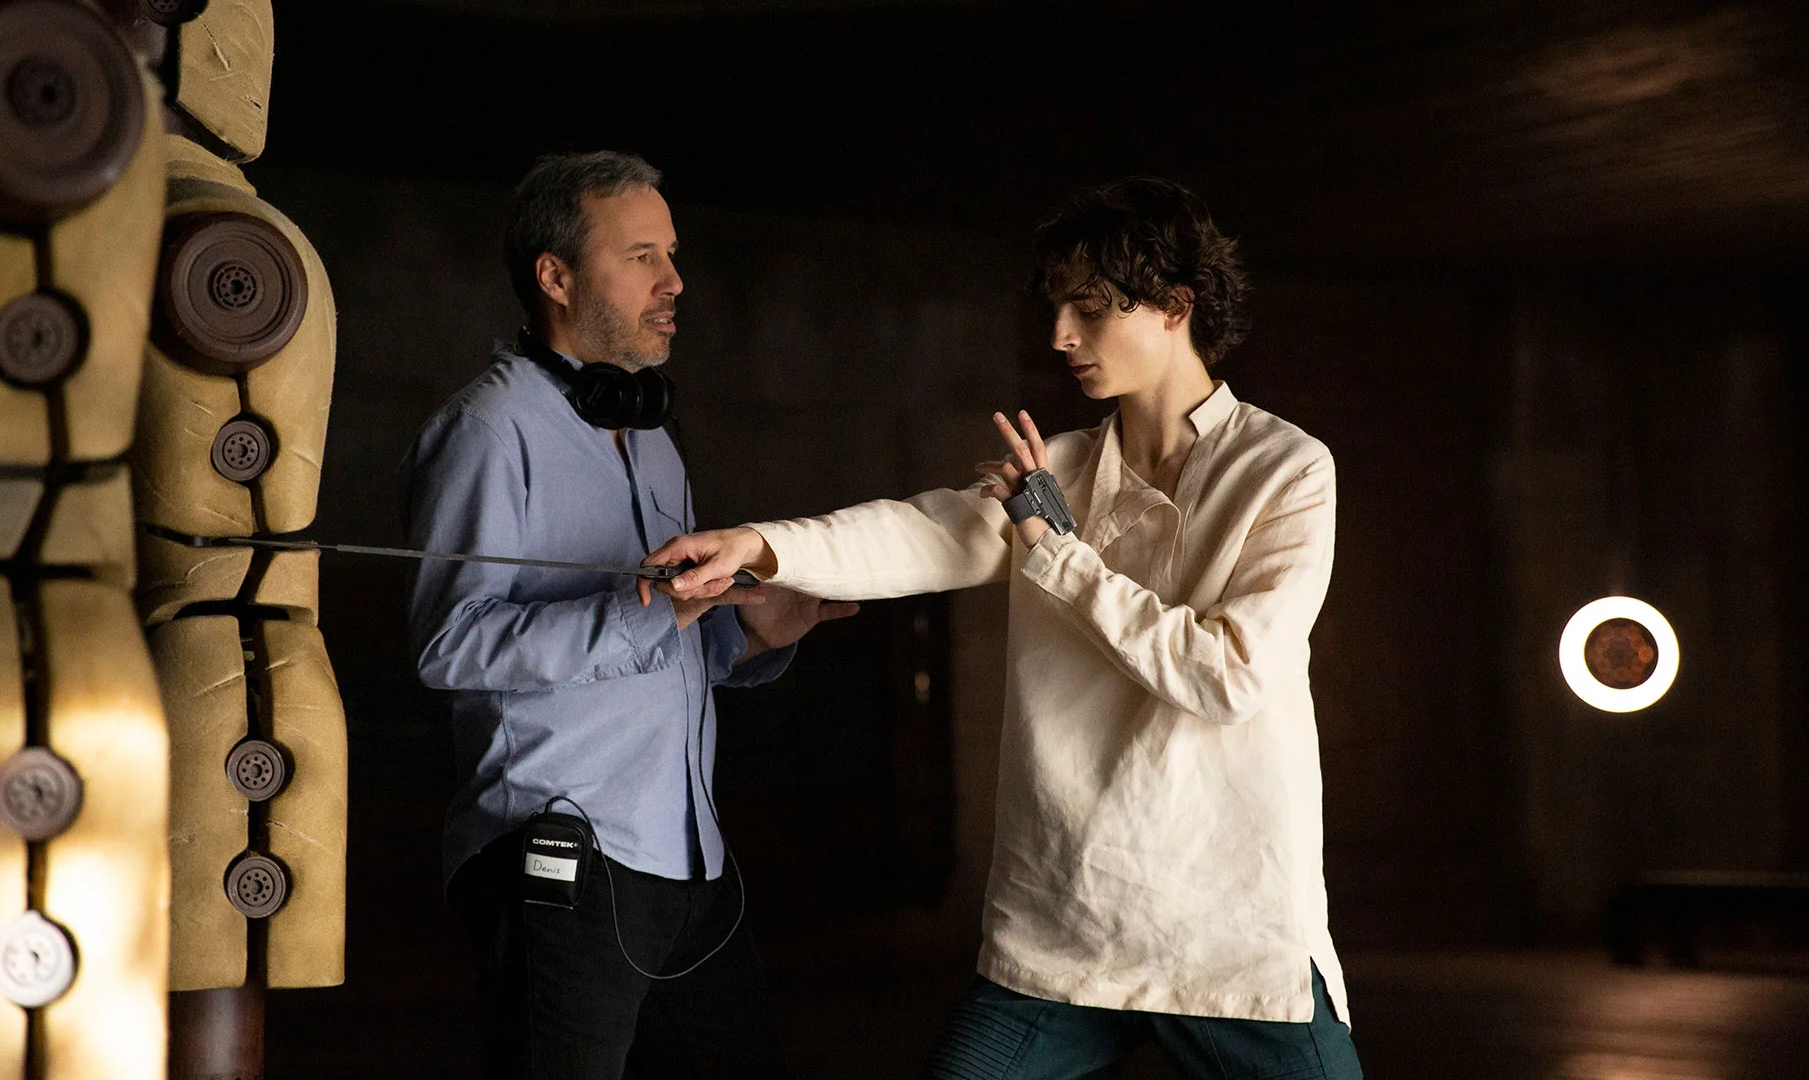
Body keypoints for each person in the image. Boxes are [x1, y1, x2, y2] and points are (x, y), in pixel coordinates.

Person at [645, 178, 1364, 1080]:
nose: (1062, 334)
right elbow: (920, 531)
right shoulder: (1055, 469)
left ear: (1177, 307)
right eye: (1057, 306)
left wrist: (1055, 549)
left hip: (1227, 929)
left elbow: (1228, 675)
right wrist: (758, 545)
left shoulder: (1287, 468)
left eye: (1092, 308)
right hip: (1065, 922)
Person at [400, 150, 856, 1079]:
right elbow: (449, 645)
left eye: (672, 254)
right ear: (556, 277)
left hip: (687, 859)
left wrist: (752, 632)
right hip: (561, 856)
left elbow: (662, 640)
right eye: (642, 255)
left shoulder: (650, 438)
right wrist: (655, 615)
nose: (675, 281)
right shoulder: (488, 431)